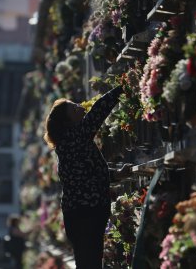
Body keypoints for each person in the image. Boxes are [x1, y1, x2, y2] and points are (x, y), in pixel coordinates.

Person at [43, 85, 131, 269]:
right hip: (86, 214)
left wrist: (115, 175)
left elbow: (88, 176)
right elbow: (98, 111)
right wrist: (121, 88)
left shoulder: (69, 142)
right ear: (68, 121)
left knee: (88, 262)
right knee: (89, 263)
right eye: (74, 108)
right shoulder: (75, 138)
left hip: (82, 213)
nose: (80, 107)